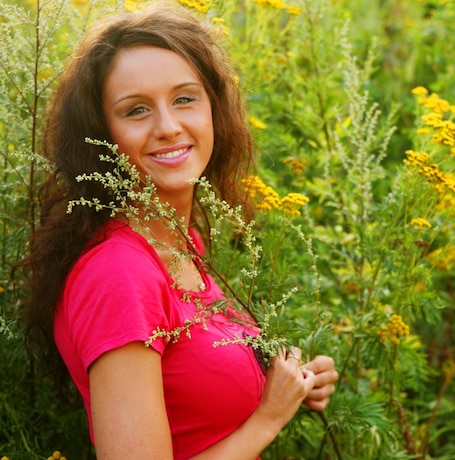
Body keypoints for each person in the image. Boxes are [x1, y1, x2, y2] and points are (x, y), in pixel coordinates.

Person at [21, 3, 338, 459]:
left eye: (185, 99)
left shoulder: (181, 245)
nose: (169, 128)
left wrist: (289, 385)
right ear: (101, 134)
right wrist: (269, 418)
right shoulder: (120, 274)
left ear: (214, 110)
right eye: (136, 110)